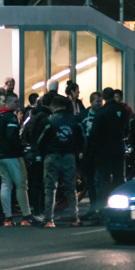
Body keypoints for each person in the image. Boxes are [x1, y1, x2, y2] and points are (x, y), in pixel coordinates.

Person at [36, 96, 84, 227]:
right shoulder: (74, 120)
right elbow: (82, 138)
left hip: (52, 156)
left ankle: (48, 219)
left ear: (53, 106)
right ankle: (75, 218)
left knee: (50, 188)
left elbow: (40, 141)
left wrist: (42, 152)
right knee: (71, 188)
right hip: (69, 155)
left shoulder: (48, 120)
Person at [88, 86, 129, 223]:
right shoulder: (123, 110)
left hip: (104, 147)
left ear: (104, 97)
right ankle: (120, 208)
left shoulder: (101, 112)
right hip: (119, 145)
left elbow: (94, 133)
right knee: (119, 178)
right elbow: (127, 129)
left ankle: (103, 210)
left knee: (103, 180)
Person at [0, 94, 34, 226]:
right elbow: (12, 136)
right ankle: (26, 216)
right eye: (15, 101)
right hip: (12, 155)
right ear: (9, 102)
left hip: (0, 156)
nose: (18, 104)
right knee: (21, 185)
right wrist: (19, 149)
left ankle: (7, 218)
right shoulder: (11, 117)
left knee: (5, 184)